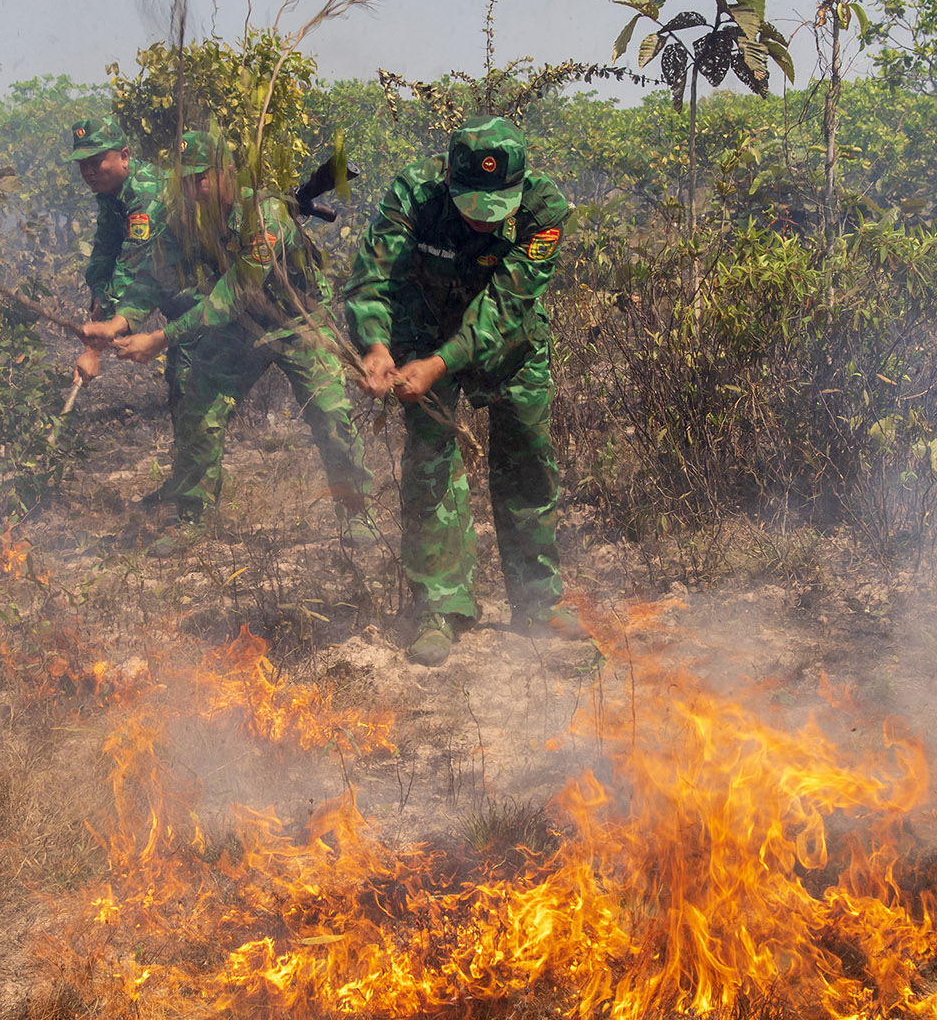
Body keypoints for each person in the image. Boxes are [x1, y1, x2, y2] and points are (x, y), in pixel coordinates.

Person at [67, 118, 376, 552]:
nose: (193, 189)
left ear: (226, 172)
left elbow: (232, 293)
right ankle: (193, 518)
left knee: (330, 415)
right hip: (239, 330)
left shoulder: (264, 216)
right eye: (185, 181)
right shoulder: (183, 217)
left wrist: (162, 338)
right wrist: (119, 324)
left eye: (201, 179)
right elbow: (154, 276)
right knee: (199, 407)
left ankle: (358, 515)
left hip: (296, 325)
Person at [343, 114, 582, 665]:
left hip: (510, 344)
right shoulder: (414, 194)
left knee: (528, 466)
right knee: (430, 465)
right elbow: (372, 276)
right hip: (420, 331)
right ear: (449, 180)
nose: (480, 222)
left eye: (492, 209)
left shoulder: (544, 212)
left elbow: (505, 308)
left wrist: (440, 363)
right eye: (469, 205)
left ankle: (537, 602)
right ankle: (438, 604)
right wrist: (376, 345)